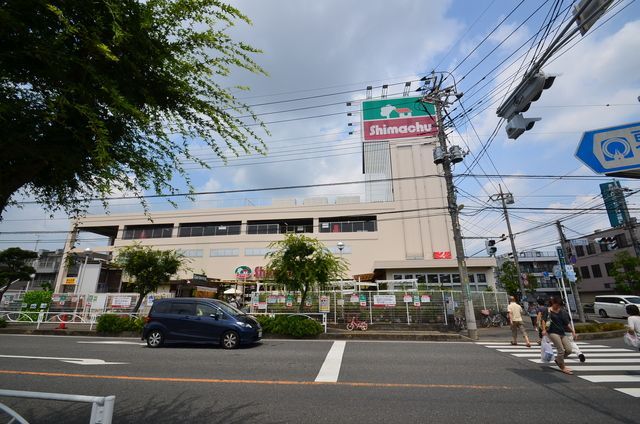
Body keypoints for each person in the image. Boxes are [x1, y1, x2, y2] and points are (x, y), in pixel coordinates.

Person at [541, 296, 576, 375]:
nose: (558, 307)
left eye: (559, 305)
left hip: (562, 332)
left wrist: (573, 331)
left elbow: (567, 323)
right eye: (557, 305)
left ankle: (558, 360)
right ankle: (563, 367)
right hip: (552, 332)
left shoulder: (562, 311)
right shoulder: (548, 310)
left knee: (569, 350)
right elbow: (543, 320)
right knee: (561, 350)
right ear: (553, 303)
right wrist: (543, 329)